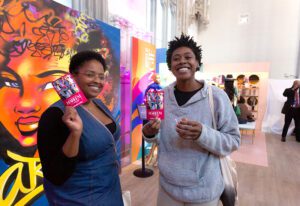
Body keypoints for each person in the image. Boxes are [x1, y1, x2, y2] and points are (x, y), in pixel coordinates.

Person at [142, 34, 240, 206]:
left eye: (188, 57)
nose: (182, 62)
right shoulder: (159, 96)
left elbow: (233, 140)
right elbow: (155, 135)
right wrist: (149, 133)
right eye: (176, 58)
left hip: (204, 191)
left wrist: (203, 133)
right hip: (167, 187)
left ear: (197, 63)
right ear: (170, 66)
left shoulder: (216, 97)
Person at [37, 51, 124, 205]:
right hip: (80, 199)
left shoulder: (100, 104)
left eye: (101, 76)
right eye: (90, 75)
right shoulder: (54, 115)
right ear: (73, 76)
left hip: (111, 190)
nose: (97, 81)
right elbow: (56, 174)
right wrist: (75, 134)